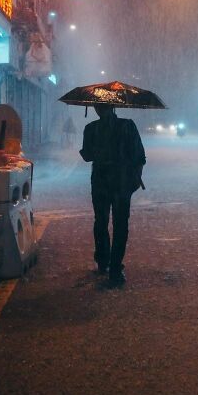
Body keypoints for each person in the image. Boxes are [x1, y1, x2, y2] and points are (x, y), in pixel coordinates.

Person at [79, 104, 146, 287]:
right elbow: (140, 156)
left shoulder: (91, 129)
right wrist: (134, 179)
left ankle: (103, 261)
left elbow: (87, 155)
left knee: (101, 221)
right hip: (121, 183)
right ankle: (115, 269)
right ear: (114, 107)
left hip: (100, 182)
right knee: (120, 224)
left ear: (95, 109)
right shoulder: (127, 126)